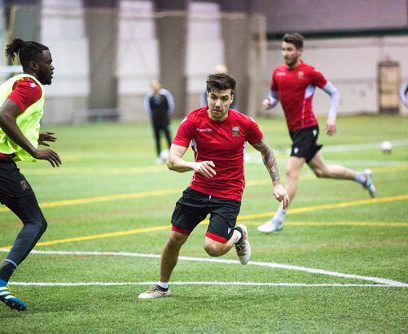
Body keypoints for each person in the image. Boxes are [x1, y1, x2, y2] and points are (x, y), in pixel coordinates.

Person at [138, 73, 289, 299]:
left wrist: (277, 183)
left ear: (232, 98)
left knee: (213, 248)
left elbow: (266, 151)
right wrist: (194, 165)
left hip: (229, 193)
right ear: (207, 95)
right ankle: (162, 286)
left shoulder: (244, 123)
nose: (218, 103)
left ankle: (238, 234)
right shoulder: (193, 121)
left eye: (224, 98)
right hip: (198, 189)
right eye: (213, 97)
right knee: (175, 238)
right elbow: (172, 160)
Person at [0, 38, 61, 311]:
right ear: (34, 65)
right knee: (35, 222)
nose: (52, 67)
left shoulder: (10, 83)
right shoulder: (32, 85)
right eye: (48, 62)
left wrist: (34, 134)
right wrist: (33, 149)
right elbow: (3, 117)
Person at [257, 33, 376, 234]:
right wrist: (270, 102)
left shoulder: (310, 72)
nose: (285, 53)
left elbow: (334, 92)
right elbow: (274, 96)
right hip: (294, 131)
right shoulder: (278, 73)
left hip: (307, 128)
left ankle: (279, 218)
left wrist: (331, 117)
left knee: (290, 172)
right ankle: (362, 178)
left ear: (300, 51)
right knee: (323, 171)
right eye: (283, 49)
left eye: (289, 50)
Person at [144, 79, 174, 163]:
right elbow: (148, 109)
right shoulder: (149, 96)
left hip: (165, 120)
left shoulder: (165, 94)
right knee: (157, 138)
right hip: (155, 121)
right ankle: (158, 157)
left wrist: (166, 115)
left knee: (168, 137)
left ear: (159, 85)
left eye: (156, 85)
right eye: (152, 86)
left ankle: (173, 156)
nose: (154, 87)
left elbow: (171, 105)